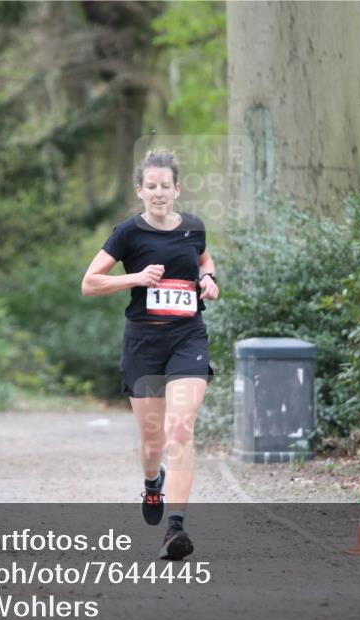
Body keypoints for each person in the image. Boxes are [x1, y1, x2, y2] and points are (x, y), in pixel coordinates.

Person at [81, 149, 219, 560]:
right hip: (143, 343)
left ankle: (175, 528)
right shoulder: (127, 233)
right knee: (153, 441)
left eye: (165, 186)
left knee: (180, 429)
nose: (159, 193)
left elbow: (204, 260)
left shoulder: (193, 228)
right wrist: (136, 278)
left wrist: (210, 279)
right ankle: (151, 482)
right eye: (151, 186)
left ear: (177, 189)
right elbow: (90, 282)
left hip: (187, 339)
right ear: (139, 190)